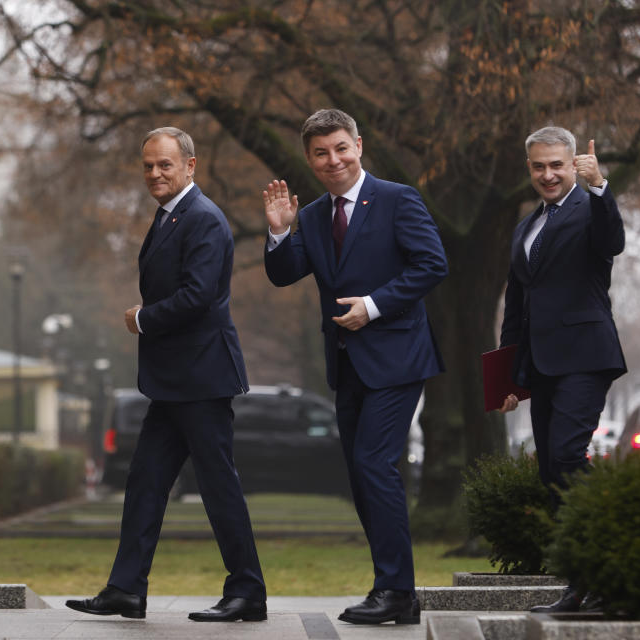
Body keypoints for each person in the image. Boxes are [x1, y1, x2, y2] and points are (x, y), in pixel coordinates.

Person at [66, 127, 267, 622]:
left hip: (202, 379)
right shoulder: (172, 215)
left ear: (190, 166)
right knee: (145, 482)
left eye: (166, 165)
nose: (155, 173)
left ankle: (248, 592)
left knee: (218, 485)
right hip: (174, 382)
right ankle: (126, 589)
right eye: (148, 166)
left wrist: (143, 319)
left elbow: (198, 296)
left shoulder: (204, 219)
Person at [262, 108, 447, 625]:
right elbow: (285, 274)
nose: (333, 159)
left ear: (359, 146)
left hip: (397, 358)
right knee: (363, 476)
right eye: (321, 153)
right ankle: (392, 588)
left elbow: (433, 263)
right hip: (346, 364)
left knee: (374, 464)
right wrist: (279, 233)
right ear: (309, 159)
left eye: (341, 147)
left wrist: (375, 304)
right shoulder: (316, 215)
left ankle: (397, 591)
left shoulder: (397, 199)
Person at [498, 126, 626, 613]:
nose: (548, 174)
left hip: (585, 356)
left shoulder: (590, 208)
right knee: (552, 470)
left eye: (557, 164)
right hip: (541, 365)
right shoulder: (526, 226)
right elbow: (517, 304)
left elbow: (611, 241)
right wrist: (508, 375)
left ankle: (616, 555)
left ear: (574, 163)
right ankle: (580, 585)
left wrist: (600, 189)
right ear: (529, 168)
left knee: (569, 457)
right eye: (538, 166)